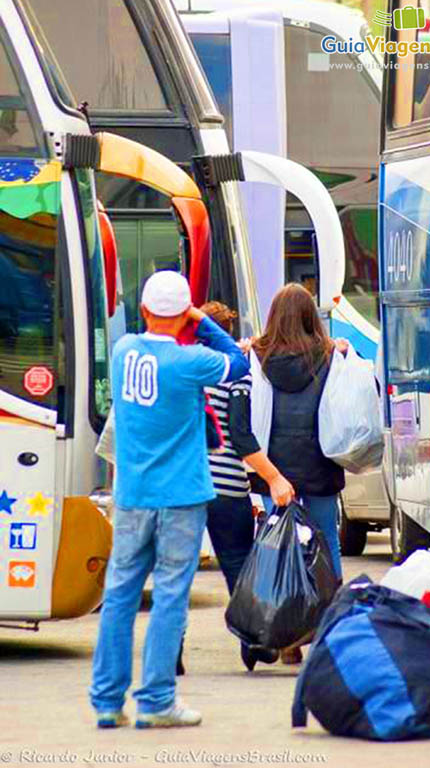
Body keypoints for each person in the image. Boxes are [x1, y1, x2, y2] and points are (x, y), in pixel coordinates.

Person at [90, 271, 249, 729]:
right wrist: (201, 321)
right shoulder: (190, 360)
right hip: (180, 495)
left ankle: (106, 700)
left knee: (120, 596)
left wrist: (184, 320)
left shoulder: (124, 353)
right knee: (170, 596)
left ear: (142, 311)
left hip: (133, 494)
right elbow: (237, 362)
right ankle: (156, 700)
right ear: (184, 316)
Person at [250, 283, 346, 664]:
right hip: (319, 461)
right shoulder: (329, 356)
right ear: (312, 318)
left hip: (272, 467)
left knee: (278, 546)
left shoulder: (258, 356)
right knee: (326, 543)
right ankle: (331, 629)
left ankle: (285, 634)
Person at [200, 301, 295, 671]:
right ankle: (254, 641)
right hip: (226, 488)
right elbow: (240, 435)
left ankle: (172, 654)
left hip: (184, 485)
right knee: (238, 567)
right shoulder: (236, 374)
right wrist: (272, 476)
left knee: (174, 570)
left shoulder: (181, 367)